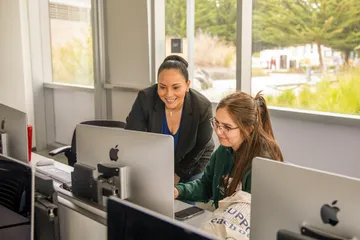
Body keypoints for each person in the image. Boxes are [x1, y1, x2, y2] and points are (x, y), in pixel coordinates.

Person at [174, 91, 283, 208]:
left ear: (248, 129)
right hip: (223, 220)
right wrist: (178, 191)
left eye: (227, 127)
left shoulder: (262, 162)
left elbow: (256, 212)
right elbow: (206, 186)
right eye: (216, 123)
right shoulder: (224, 150)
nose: (218, 131)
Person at [125, 55, 215, 185]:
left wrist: (178, 175)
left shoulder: (202, 106)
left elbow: (200, 146)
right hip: (156, 163)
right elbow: (133, 136)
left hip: (193, 161)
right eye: (162, 87)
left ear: (187, 85)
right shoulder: (145, 98)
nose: (168, 94)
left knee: (184, 203)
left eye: (176, 87)